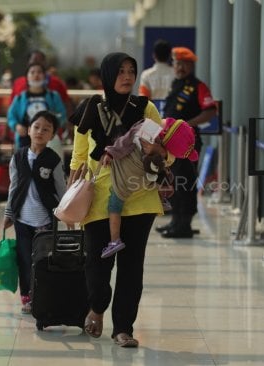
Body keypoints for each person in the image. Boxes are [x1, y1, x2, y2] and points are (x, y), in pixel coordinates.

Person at [69, 52, 163, 347]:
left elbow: (165, 150)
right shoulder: (90, 108)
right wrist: (72, 179)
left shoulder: (146, 108)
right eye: (120, 71)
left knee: (131, 266)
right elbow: (79, 152)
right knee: (97, 264)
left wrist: (155, 152)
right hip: (98, 196)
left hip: (139, 195)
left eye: (131, 71)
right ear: (108, 75)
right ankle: (97, 307)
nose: (126, 76)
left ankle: (123, 328)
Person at [100, 117, 198, 258]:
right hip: (142, 181)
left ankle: (115, 240)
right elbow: (168, 161)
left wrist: (110, 153)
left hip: (124, 178)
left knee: (114, 205)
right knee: (158, 176)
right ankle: (161, 197)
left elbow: (124, 141)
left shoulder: (147, 127)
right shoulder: (158, 141)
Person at [3, 110, 66, 313]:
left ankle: (42, 295)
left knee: (43, 259)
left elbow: (61, 188)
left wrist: (66, 213)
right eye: (36, 127)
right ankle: (27, 297)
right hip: (22, 219)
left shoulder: (53, 160)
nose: (40, 132)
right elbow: (13, 188)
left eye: (46, 129)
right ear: (28, 130)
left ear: (52, 135)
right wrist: (8, 214)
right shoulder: (18, 157)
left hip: (45, 221)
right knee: (24, 258)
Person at [158, 47, 216, 238]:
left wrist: (185, 126)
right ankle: (176, 220)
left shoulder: (198, 86)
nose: (180, 67)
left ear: (191, 65)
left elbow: (210, 111)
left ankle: (184, 224)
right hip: (170, 143)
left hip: (188, 142)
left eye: (184, 64)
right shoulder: (176, 84)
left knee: (185, 182)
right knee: (174, 181)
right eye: (177, 63)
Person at [7, 62, 66, 153]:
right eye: (32, 72)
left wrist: (51, 127)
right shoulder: (19, 98)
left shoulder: (53, 96)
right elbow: (11, 116)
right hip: (24, 140)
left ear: (44, 76)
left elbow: (62, 115)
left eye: (39, 72)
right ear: (27, 77)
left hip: (49, 141)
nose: (36, 75)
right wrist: (17, 126)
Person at [10, 50, 73, 116]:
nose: (37, 63)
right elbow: (12, 112)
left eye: (41, 60)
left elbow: (66, 105)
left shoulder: (57, 84)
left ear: (45, 63)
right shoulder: (18, 83)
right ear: (28, 62)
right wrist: (17, 125)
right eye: (34, 60)